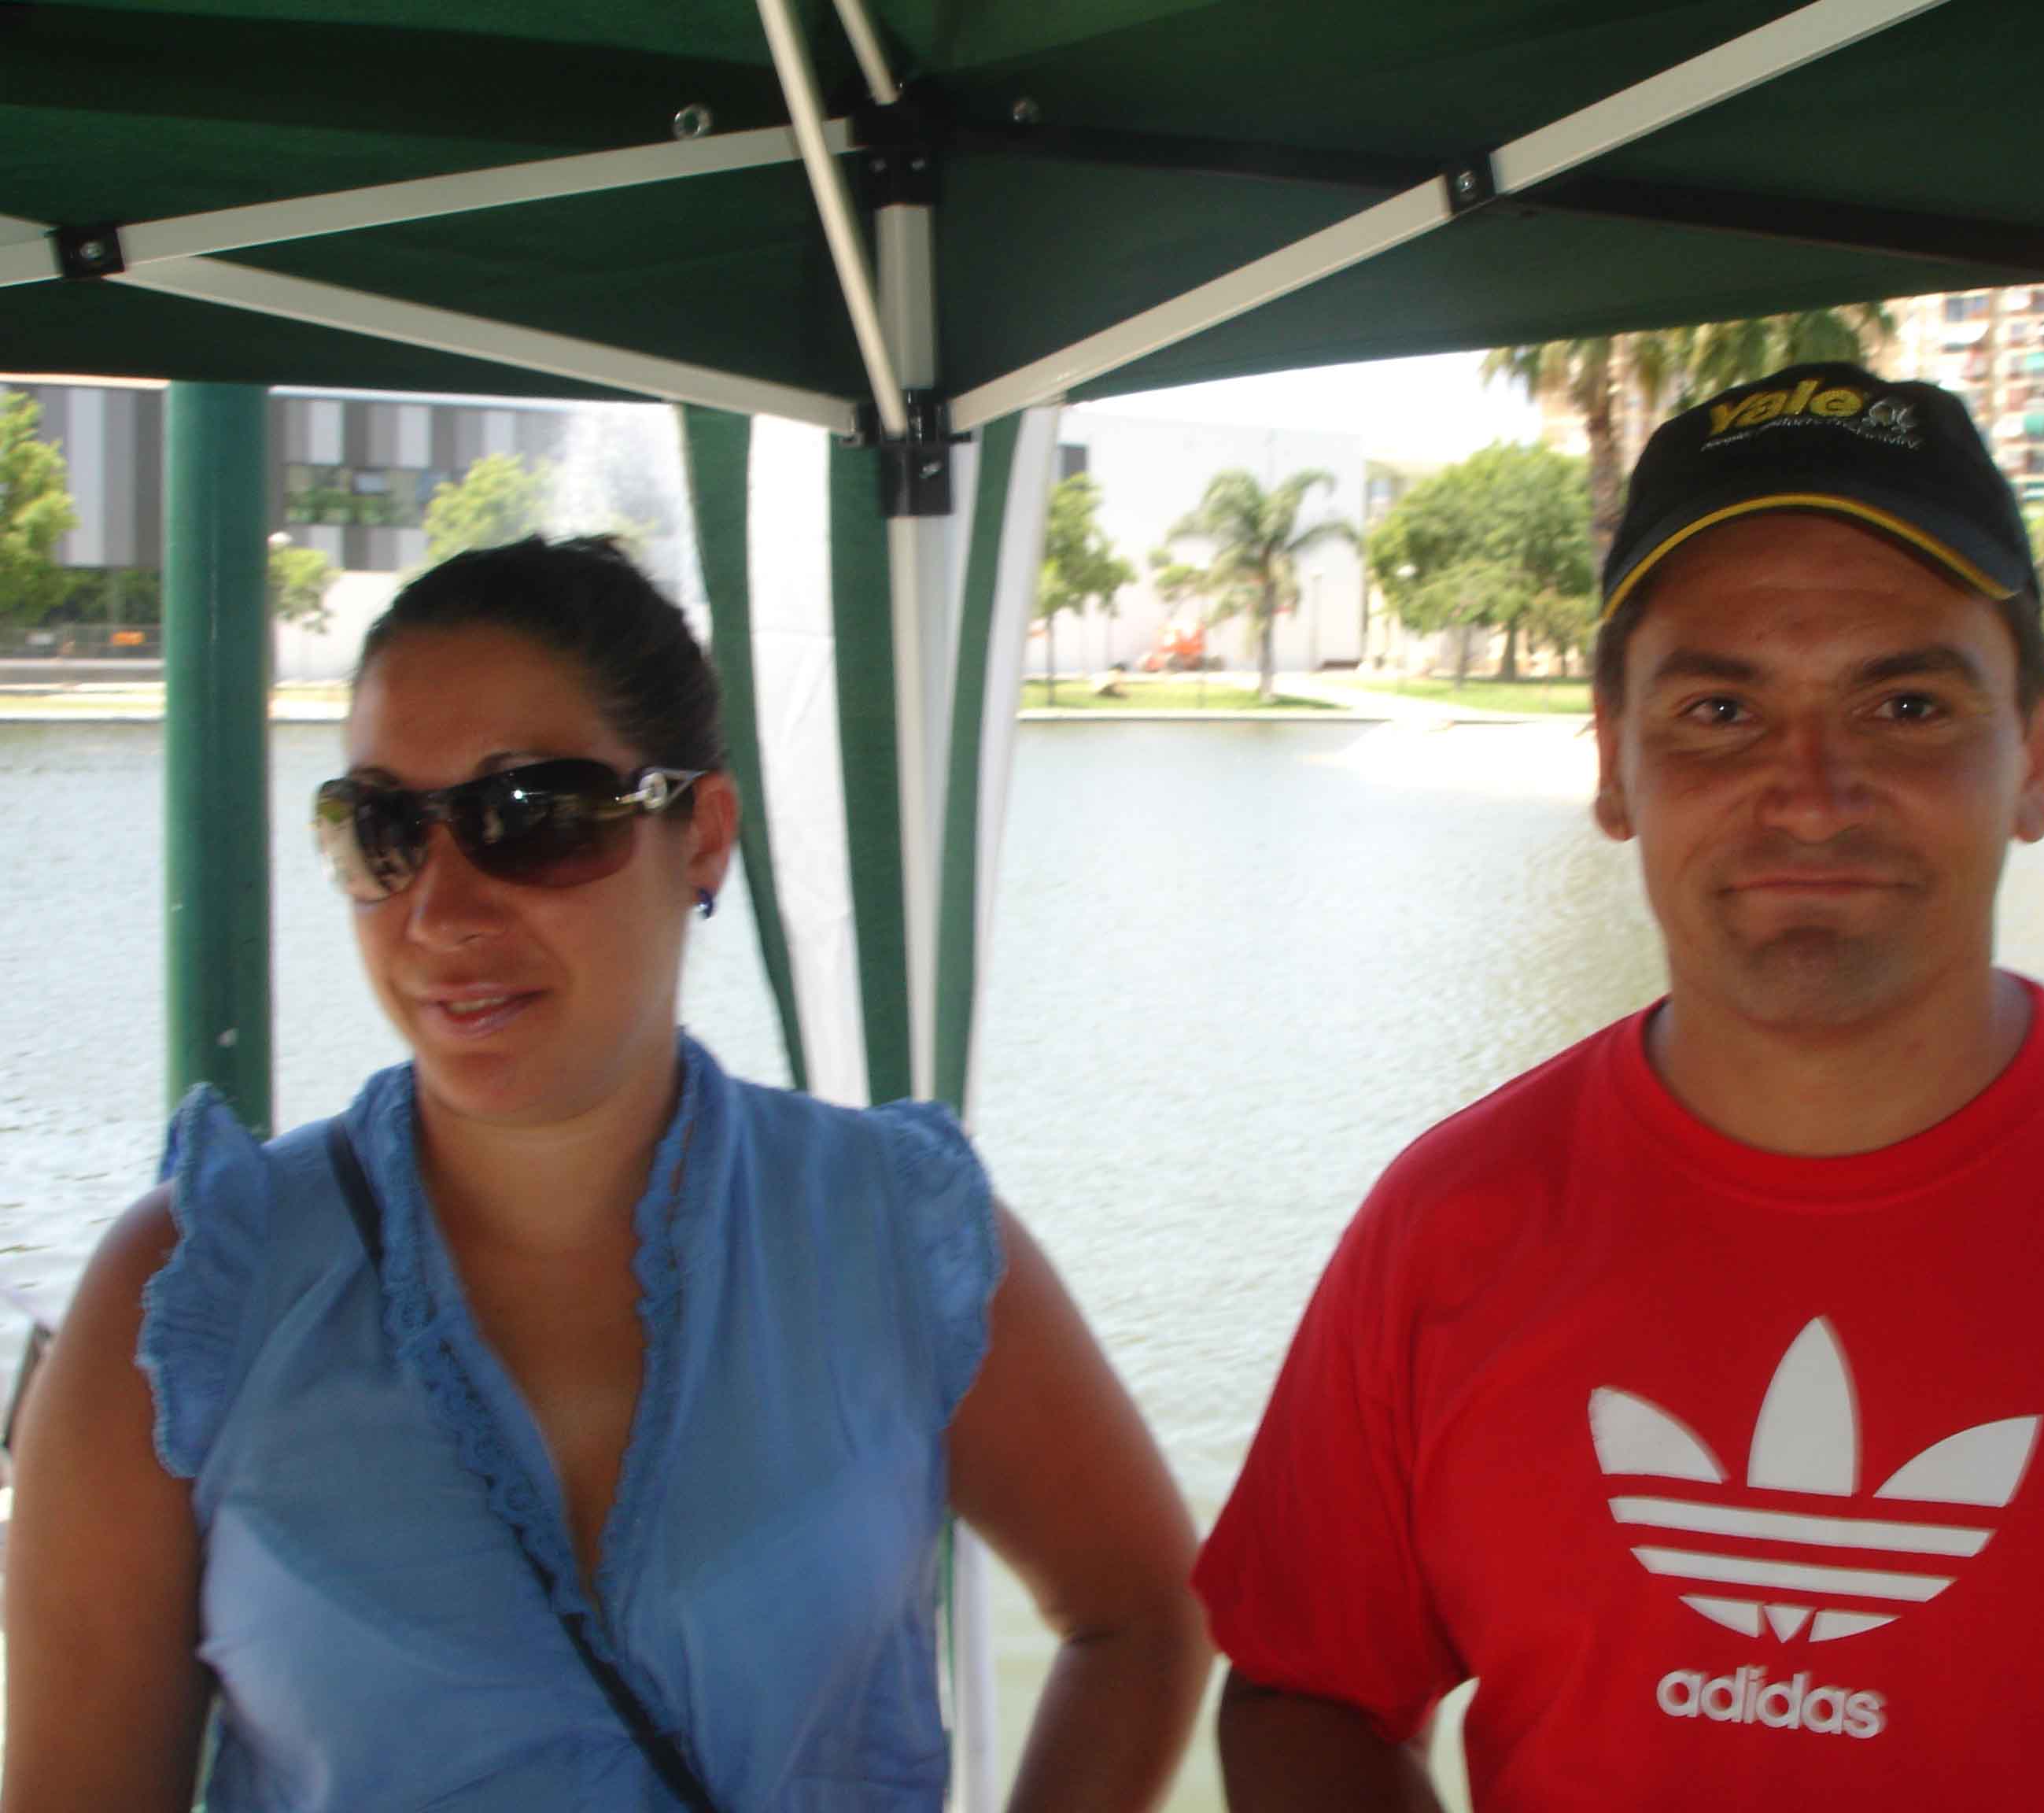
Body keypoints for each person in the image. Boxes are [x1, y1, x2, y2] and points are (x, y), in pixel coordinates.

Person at [1194, 365, 2044, 1812]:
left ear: (2035, 755)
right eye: (1720, 709)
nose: (1813, 794)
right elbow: (1306, 1687)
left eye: (1906, 704)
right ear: (1614, 766)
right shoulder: (1450, 1224)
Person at [5, 537, 1210, 1812]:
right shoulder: (185, 1301)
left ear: (703, 838)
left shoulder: (892, 1235)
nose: (440, 912)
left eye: (533, 815)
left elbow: (1142, 1614)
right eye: (381, 829)